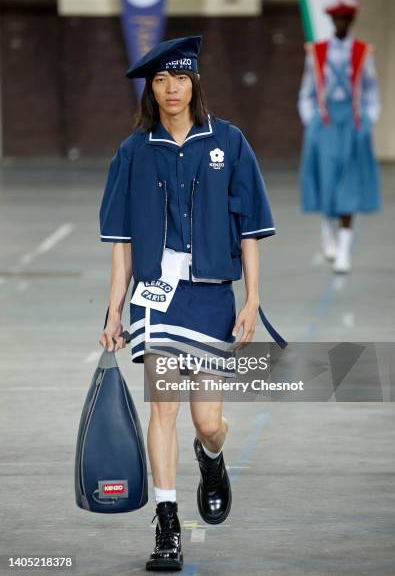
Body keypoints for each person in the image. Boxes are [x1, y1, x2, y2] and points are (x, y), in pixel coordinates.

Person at [98, 35, 286, 571]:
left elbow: (249, 229)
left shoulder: (228, 140)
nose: (170, 88)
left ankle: (212, 458)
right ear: (151, 90)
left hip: (210, 298)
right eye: (159, 80)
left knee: (206, 422)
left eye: (179, 78)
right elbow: (122, 244)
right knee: (163, 409)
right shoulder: (134, 151)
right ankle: (167, 526)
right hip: (155, 301)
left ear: (194, 82)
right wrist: (113, 311)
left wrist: (252, 300)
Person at [298, 0, 381, 273]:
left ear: (351, 21)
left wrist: (368, 120)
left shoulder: (362, 52)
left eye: (346, 18)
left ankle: (344, 249)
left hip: (352, 123)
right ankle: (327, 229)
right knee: (325, 177)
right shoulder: (316, 52)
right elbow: (307, 91)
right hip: (324, 122)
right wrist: (311, 120)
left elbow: (370, 91)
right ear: (332, 21)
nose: (341, 23)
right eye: (337, 19)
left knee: (349, 183)